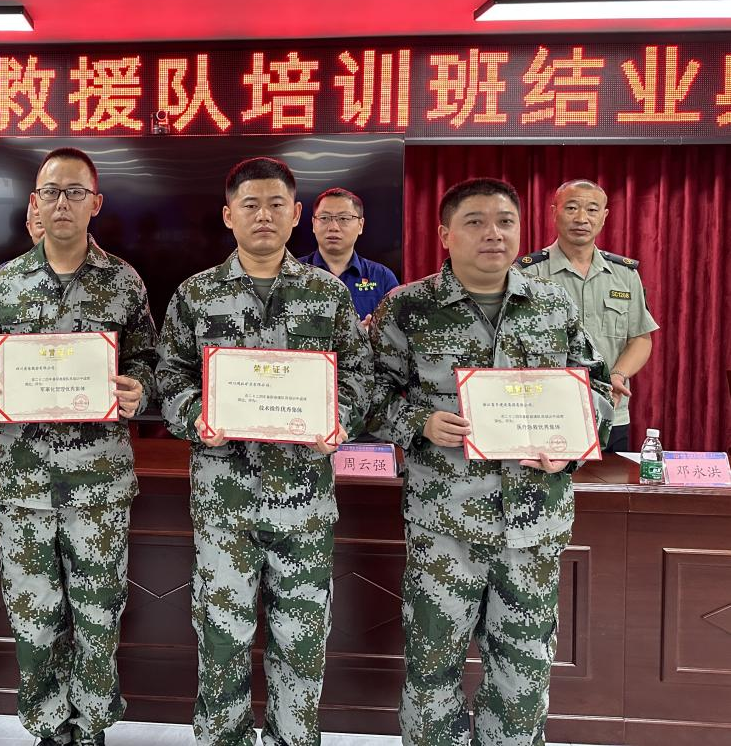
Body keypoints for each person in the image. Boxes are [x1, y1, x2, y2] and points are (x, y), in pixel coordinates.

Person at [370, 177, 614, 746]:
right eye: (476, 222)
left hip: (533, 522)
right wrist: (418, 423)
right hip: (444, 524)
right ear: (445, 234)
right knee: (433, 667)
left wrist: (572, 444)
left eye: (505, 221)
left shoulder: (552, 305)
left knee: (523, 672)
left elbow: (597, 388)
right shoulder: (407, 307)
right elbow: (362, 395)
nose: (493, 234)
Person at [156, 157, 373, 746]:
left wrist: (339, 420)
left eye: (276, 204)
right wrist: (196, 418)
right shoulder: (196, 295)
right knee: (221, 637)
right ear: (228, 216)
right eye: (250, 205)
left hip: (304, 502)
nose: (264, 216)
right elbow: (169, 377)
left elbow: (359, 377)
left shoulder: (327, 294)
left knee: (301, 640)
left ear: (296, 214)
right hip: (224, 500)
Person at [0, 147, 157, 746]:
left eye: (75, 192)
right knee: (33, 615)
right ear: (34, 202)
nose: (62, 203)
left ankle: (92, 723)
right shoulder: (8, 280)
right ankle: (50, 725)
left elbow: (150, 361)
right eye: (51, 192)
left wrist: (139, 390)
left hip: (98, 481)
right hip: (23, 481)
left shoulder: (124, 281)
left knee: (98, 613)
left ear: (95, 203)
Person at [517, 179, 658, 452]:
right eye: (571, 208)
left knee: (611, 481)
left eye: (592, 210)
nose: (581, 218)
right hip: (546, 413)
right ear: (554, 212)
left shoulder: (625, 275)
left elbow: (641, 339)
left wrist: (618, 375)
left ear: (604, 216)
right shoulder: (528, 274)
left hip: (611, 410)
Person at [298, 186, 398, 325]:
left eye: (344, 218)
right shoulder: (292, 274)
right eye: (324, 218)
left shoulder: (382, 278)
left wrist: (371, 334)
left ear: (360, 225)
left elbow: (397, 330)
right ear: (314, 224)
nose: (333, 227)